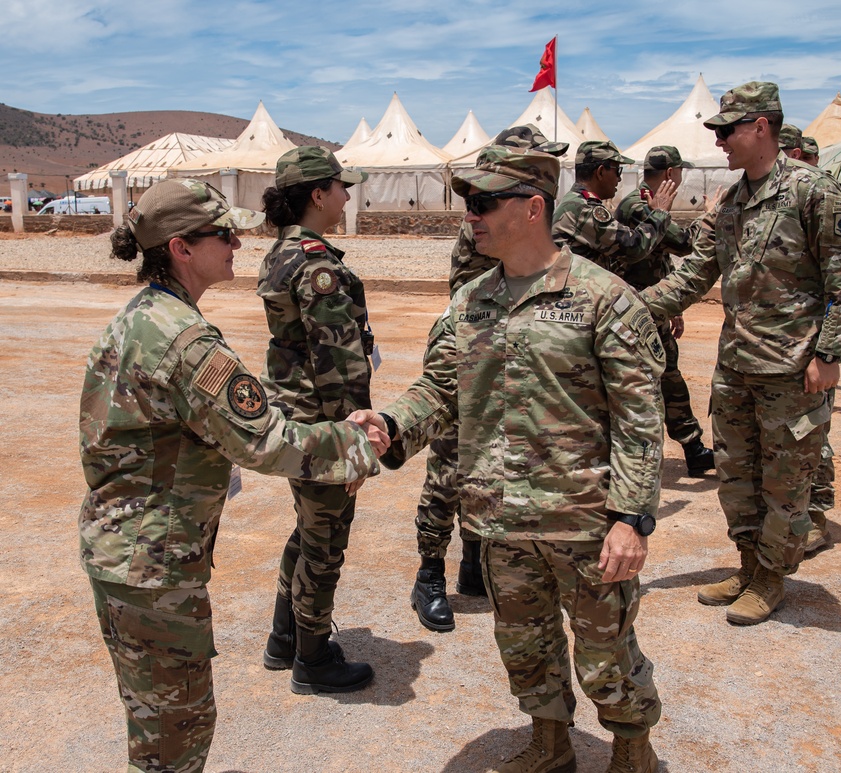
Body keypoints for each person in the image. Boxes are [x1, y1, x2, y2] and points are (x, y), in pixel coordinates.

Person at [365, 146, 667, 772]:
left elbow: (640, 421)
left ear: (534, 208)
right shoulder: (471, 301)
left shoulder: (604, 299)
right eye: (465, 203)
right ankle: (551, 746)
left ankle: (632, 753)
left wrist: (630, 518)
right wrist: (391, 423)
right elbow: (440, 389)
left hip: (585, 523)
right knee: (525, 646)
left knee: (606, 653)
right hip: (501, 520)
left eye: (482, 203)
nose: (468, 216)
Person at [78, 178, 385, 773]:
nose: (238, 244)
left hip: (127, 553)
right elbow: (264, 441)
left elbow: (209, 417)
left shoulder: (144, 317)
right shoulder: (186, 339)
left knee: (158, 730)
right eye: (223, 234)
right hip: (152, 567)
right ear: (180, 249)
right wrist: (357, 443)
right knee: (178, 735)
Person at [640, 81, 841, 625]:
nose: (719, 141)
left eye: (727, 130)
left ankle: (771, 578)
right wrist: (625, 306)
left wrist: (830, 352)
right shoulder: (734, 200)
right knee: (736, 478)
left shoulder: (813, 191)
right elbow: (695, 273)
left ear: (761, 126)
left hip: (792, 370)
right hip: (736, 366)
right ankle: (748, 565)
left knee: (785, 483)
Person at [411, 124, 570, 633]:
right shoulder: (487, 218)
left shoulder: (538, 215)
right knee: (451, 464)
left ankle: (473, 562)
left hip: (522, 358)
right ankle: (430, 574)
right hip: (476, 350)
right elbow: (474, 295)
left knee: (494, 461)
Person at [257, 146, 377, 694]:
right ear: (317, 194)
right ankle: (312, 658)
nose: (347, 196)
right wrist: (353, 444)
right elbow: (339, 364)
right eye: (340, 186)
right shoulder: (318, 264)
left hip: (292, 415)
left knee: (308, 528)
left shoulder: (282, 253)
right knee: (326, 540)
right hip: (323, 422)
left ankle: (285, 638)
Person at [614, 145, 715, 477]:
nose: (682, 178)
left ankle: (693, 448)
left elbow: (660, 255)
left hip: (655, 306)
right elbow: (684, 242)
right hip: (636, 309)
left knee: (669, 376)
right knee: (650, 380)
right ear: (671, 174)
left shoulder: (650, 204)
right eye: (680, 173)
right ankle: (652, 454)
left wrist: (674, 305)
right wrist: (712, 214)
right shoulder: (638, 206)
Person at [551, 139, 677, 277]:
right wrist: (660, 213)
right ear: (600, 172)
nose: (619, 179)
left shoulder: (576, 201)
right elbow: (634, 247)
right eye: (617, 171)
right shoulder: (583, 208)